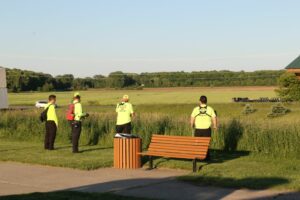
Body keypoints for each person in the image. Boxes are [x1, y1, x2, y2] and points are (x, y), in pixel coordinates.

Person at [190, 95, 217, 160]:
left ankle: (198, 156)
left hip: (198, 129)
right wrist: (215, 126)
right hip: (207, 130)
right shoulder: (210, 109)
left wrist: (192, 125)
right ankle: (206, 157)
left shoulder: (196, 109)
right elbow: (214, 118)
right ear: (206, 101)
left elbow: (192, 118)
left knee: (198, 143)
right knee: (206, 144)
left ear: (200, 101)